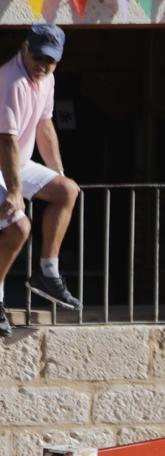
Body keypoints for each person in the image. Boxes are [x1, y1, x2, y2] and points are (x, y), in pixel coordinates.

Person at [0, 24, 82, 337]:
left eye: (49, 60)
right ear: (24, 48)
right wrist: (16, 192)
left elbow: (45, 125)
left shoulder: (47, 78)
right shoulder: (12, 81)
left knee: (67, 191)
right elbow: (5, 140)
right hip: (3, 160)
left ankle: (47, 273)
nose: (42, 65)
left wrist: (57, 173)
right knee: (19, 227)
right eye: (37, 57)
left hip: (19, 161)